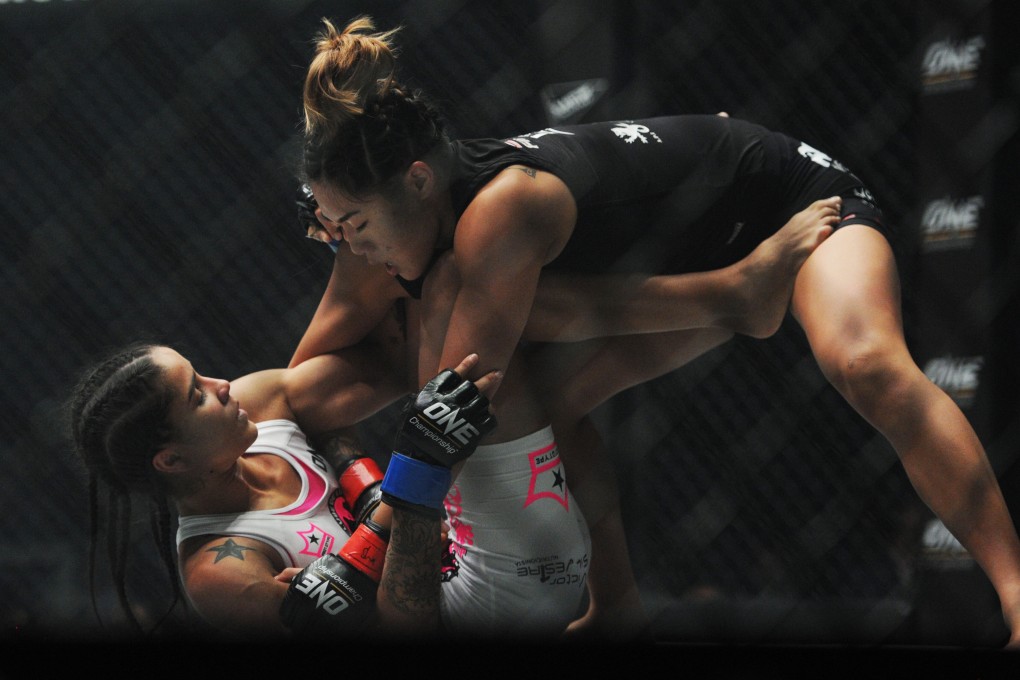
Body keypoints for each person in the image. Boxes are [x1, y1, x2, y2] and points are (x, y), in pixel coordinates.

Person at [293, 16, 1020, 646]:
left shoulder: (497, 213)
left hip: (788, 200)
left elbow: (446, 423)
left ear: (418, 181)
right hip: (695, 262)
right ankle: (619, 606)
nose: (347, 244)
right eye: (331, 229)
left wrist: (353, 555)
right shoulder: (389, 236)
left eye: (352, 224)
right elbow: (303, 382)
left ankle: (1018, 593)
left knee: (867, 364)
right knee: (543, 401)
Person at [68, 323, 501, 639]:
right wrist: (422, 462)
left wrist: (343, 237)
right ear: (172, 459)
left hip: (478, 542)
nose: (221, 385)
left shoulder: (256, 402)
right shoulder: (221, 573)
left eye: (200, 374)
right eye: (196, 396)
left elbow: (396, 353)